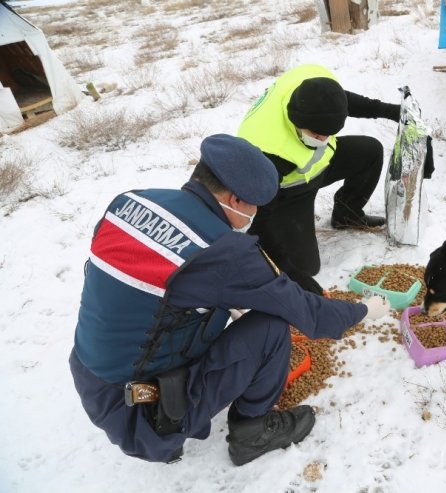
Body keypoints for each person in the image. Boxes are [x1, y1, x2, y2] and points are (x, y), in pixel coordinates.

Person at [69, 134, 390, 466]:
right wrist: (365, 309)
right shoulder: (225, 252)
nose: (254, 215)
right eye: (254, 207)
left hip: (91, 377)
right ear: (235, 200)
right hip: (143, 415)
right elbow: (312, 314)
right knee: (271, 327)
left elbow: (136, 286)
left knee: (217, 308)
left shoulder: (131, 202)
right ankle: (251, 433)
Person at [237, 64, 401, 295]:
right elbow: (257, 225)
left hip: (317, 167)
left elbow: (340, 101)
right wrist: (297, 277)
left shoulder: (310, 85)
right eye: (316, 135)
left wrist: (389, 111)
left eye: (328, 134)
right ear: (297, 121)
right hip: (286, 193)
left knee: (370, 151)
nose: (323, 139)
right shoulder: (268, 154)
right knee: (305, 268)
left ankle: (347, 215)